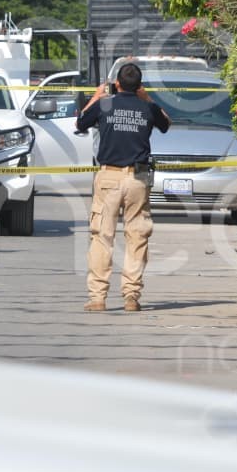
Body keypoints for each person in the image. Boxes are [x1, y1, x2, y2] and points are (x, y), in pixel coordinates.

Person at [75, 63, 170, 312]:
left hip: (109, 177)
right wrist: (147, 97)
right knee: (137, 237)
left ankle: (97, 297)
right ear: (138, 86)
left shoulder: (105, 104)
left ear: (117, 84)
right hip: (137, 179)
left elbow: (81, 123)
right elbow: (166, 124)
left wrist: (97, 96)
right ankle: (131, 295)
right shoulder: (147, 107)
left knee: (101, 237)